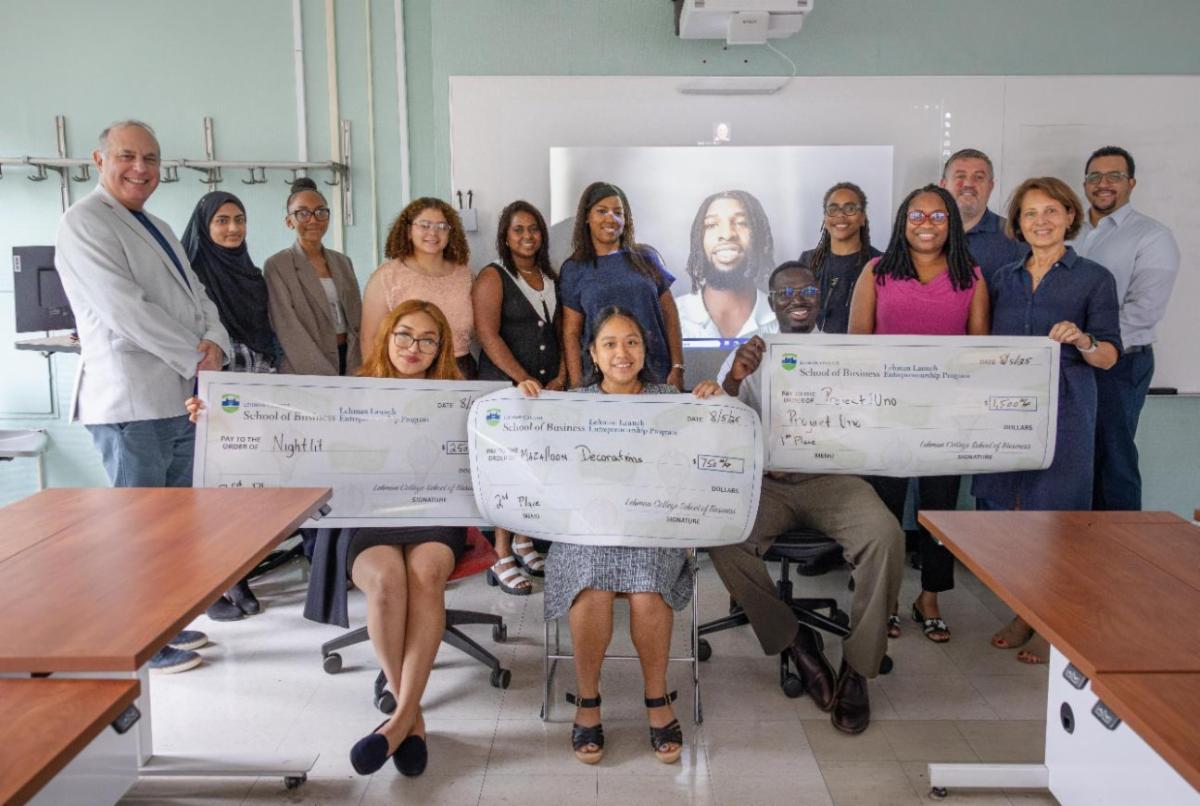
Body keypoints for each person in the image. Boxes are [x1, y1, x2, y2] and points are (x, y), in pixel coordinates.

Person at [189, 300, 466, 777]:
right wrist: (217, 418)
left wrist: (522, 398)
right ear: (387, 336)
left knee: (424, 573)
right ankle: (410, 717)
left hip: (434, 513)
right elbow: (281, 432)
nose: (413, 347)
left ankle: (400, 719)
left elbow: (502, 442)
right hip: (366, 516)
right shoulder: (348, 392)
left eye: (427, 339)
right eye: (404, 335)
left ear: (441, 348)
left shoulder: (460, 397)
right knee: (385, 581)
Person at [54, 120, 232, 674]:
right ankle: (142, 643)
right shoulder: (84, 222)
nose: (141, 168)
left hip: (177, 400)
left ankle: (166, 626)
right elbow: (125, 310)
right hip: (130, 404)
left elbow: (199, 296)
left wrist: (216, 342)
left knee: (173, 531)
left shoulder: (157, 225)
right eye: (127, 156)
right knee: (137, 533)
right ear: (98, 160)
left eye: (151, 158)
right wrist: (195, 356)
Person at [519, 306, 721, 765]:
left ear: (645, 348)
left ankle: (657, 699)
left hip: (651, 527)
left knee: (648, 589)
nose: (621, 352)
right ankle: (588, 702)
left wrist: (714, 400)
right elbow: (537, 462)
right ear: (592, 353)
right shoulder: (572, 404)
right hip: (586, 530)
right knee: (591, 584)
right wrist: (524, 402)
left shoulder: (671, 399)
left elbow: (704, 455)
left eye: (631, 342)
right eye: (609, 344)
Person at [710, 261, 904, 735]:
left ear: (821, 298)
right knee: (722, 536)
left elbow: (872, 419)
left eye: (808, 291)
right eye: (786, 293)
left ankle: (858, 667)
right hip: (768, 483)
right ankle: (795, 640)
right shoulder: (751, 352)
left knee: (886, 536)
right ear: (772, 301)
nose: (798, 300)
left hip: (831, 480)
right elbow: (718, 423)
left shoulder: (844, 352)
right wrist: (734, 379)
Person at [974, 177, 1121, 665]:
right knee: (1011, 518)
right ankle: (1025, 613)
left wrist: (1082, 340)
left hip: (1067, 409)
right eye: (1031, 213)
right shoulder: (1002, 277)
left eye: (1051, 211)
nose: (1041, 221)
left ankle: (1052, 626)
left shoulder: (1094, 277)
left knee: (1056, 521)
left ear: (1069, 216)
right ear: (1018, 223)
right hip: (1007, 410)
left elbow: (1109, 357)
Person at [848, 184, 990, 643]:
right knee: (883, 512)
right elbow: (857, 346)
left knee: (940, 512)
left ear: (951, 223)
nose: (926, 224)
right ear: (902, 222)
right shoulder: (877, 271)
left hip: (946, 416)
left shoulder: (970, 275)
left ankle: (930, 598)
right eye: (917, 216)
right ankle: (885, 599)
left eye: (937, 216)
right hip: (887, 414)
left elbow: (979, 352)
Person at [181, 190, 277, 621]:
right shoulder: (191, 276)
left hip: (257, 389)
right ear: (205, 227)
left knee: (250, 488)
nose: (233, 228)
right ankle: (215, 582)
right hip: (212, 394)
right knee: (215, 491)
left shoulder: (252, 275)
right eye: (222, 220)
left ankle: (240, 571)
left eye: (239, 219)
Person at [1074, 146, 1181, 511]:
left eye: (1114, 176)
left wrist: (1088, 343)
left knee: (1113, 459)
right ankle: (1077, 542)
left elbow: (1142, 312)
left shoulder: (1152, 236)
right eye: (1094, 176)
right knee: (1074, 460)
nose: (1103, 184)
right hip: (1069, 361)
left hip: (1120, 364)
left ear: (1131, 183)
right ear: (1085, 183)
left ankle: (1118, 542)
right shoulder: (1069, 230)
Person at [472, 200, 563, 594]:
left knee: (536, 467)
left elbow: (560, 332)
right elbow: (487, 335)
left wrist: (561, 377)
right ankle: (500, 554)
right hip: (506, 390)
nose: (528, 236)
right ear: (505, 237)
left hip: (546, 392)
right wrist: (521, 378)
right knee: (506, 471)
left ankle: (524, 540)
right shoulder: (493, 276)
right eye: (518, 230)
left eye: (534, 229)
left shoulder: (550, 276)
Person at [560, 182, 685, 390]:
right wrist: (576, 386)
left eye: (618, 213)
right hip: (600, 382)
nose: (611, 218)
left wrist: (678, 366)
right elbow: (571, 333)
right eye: (602, 211)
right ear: (587, 217)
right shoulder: (574, 269)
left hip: (656, 375)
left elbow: (670, 313)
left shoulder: (646, 257)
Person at [362, 198, 476, 378]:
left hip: (460, 372)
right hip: (404, 372)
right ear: (408, 231)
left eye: (442, 226)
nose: (433, 232)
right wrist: (379, 383)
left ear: (451, 233)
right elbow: (369, 338)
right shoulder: (386, 276)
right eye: (424, 225)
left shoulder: (466, 275)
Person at [264, 178, 362, 376]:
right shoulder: (278, 265)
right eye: (303, 213)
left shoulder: (343, 262)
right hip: (304, 366)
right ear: (289, 221)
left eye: (320, 211)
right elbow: (287, 327)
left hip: (350, 361)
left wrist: (358, 366)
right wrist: (323, 376)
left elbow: (356, 319)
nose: (313, 220)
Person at [675, 190, 777, 339]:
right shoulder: (670, 317)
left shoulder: (782, 318)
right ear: (698, 240)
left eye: (741, 223)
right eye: (711, 225)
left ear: (759, 235)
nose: (727, 234)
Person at [799, 182, 881, 334]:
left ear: (862, 218)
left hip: (861, 348)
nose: (840, 215)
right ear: (825, 218)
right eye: (833, 209)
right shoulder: (807, 261)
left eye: (850, 209)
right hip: (812, 348)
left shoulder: (880, 264)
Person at [939, 148, 1025, 283]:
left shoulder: (1015, 237)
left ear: (990, 186)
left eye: (978, 177)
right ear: (943, 185)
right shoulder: (924, 233)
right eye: (960, 176)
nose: (968, 184)